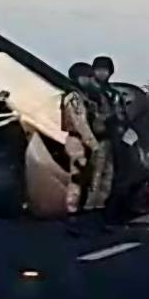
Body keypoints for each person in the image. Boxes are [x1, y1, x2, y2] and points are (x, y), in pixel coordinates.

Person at [86, 56, 128, 212]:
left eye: (105, 70)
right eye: (99, 70)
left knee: (108, 173)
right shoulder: (90, 92)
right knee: (95, 174)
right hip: (96, 138)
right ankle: (89, 206)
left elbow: (122, 114)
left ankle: (100, 206)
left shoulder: (113, 93)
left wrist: (120, 124)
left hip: (111, 137)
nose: (102, 73)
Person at [61, 63, 99, 215]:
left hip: (80, 140)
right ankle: (72, 210)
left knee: (83, 176)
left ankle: (77, 209)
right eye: (87, 77)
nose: (90, 80)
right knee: (76, 176)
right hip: (77, 141)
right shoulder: (75, 97)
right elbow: (80, 123)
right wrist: (93, 143)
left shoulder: (82, 96)